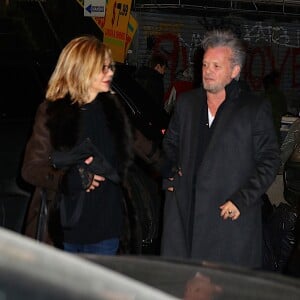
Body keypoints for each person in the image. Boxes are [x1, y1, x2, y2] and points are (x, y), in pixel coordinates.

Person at [160, 29, 280, 268]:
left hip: (228, 223)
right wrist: (171, 172)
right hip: (184, 219)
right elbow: (170, 144)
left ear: (234, 71)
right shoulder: (186, 104)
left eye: (216, 66)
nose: (208, 71)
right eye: (205, 64)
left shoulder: (254, 109)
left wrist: (241, 200)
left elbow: (269, 160)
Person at [21, 35, 133, 255]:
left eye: (111, 67)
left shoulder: (112, 110)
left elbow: (141, 145)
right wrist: (69, 179)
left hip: (106, 229)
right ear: (82, 69)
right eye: (103, 68)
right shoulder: (52, 112)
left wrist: (169, 166)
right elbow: (30, 169)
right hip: (63, 230)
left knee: (97, 289)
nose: (110, 73)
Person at [263, 70, 287, 142]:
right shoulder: (279, 95)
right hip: (275, 125)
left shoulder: (264, 96)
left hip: (265, 126)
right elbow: (284, 110)